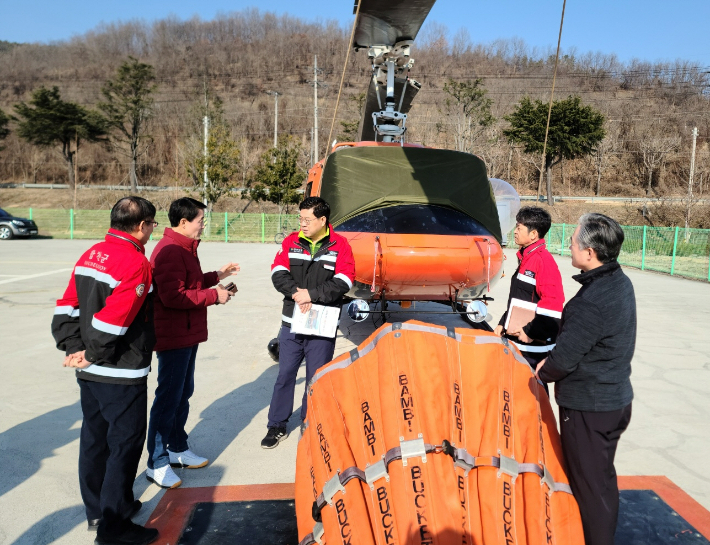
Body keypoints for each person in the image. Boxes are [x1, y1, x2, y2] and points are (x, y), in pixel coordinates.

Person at [52, 196, 159, 545]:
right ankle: (114, 528)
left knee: (95, 439)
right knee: (125, 445)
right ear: (141, 226)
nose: (152, 231)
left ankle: (101, 510)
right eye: (152, 225)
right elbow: (113, 321)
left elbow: (67, 305)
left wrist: (72, 346)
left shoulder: (91, 254)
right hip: (120, 371)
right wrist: (91, 353)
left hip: (89, 371)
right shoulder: (135, 263)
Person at [536, 213, 636, 545]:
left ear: (590, 253)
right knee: (601, 480)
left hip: (589, 407)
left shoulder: (591, 301)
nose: (569, 244)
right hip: (614, 400)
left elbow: (563, 360)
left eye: (574, 240)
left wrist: (541, 371)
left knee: (590, 488)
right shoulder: (618, 280)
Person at [146, 197, 239, 488]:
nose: (203, 225)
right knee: (169, 397)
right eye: (200, 220)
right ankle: (156, 462)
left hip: (187, 332)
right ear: (183, 222)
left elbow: (191, 282)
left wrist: (217, 277)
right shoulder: (171, 250)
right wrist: (215, 296)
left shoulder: (185, 247)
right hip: (174, 336)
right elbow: (172, 296)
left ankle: (177, 448)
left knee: (182, 392)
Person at [263, 197, 355, 448]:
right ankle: (276, 425)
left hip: (321, 324)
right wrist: (296, 293)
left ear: (322, 220)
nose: (302, 224)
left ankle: (311, 422)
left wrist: (311, 296)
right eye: (300, 218)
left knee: (317, 378)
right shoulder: (291, 241)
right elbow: (277, 272)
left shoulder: (341, 245)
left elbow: (345, 280)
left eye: (307, 219)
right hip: (292, 321)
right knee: (285, 374)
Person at [494, 207, 564, 375]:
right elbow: (520, 298)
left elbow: (553, 304)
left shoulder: (542, 261)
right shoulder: (527, 258)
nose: (515, 232)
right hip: (519, 340)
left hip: (532, 347)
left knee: (532, 393)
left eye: (519, 227)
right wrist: (504, 322)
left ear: (533, 234)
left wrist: (531, 331)